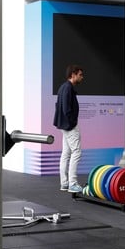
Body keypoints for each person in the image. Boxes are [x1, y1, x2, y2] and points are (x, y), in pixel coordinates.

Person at [53, 64, 84, 193]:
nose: (82, 77)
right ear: (73, 74)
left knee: (66, 153)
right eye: (80, 75)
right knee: (76, 152)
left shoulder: (64, 87)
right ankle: (72, 183)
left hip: (64, 126)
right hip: (69, 127)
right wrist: (72, 123)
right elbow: (66, 109)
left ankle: (64, 183)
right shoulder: (67, 88)